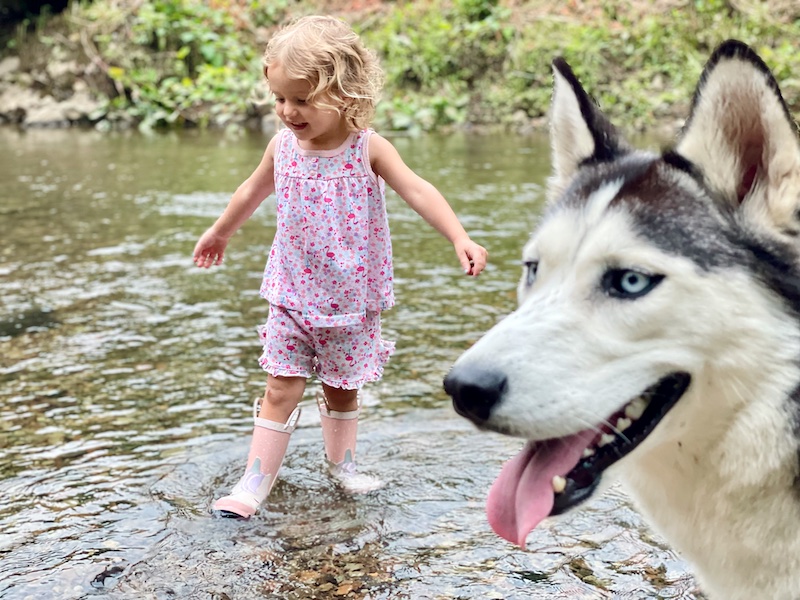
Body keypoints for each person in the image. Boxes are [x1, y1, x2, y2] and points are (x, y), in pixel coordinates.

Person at [193, 14, 488, 520]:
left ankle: (343, 466)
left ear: (345, 93)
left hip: (351, 299)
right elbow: (251, 191)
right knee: (280, 386)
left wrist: (459, 235)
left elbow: (417, 189)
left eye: (303, 100)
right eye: (281, 98)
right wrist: (221, 231)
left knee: (341, 387)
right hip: (290, 292)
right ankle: (254, 482)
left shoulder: (366, 148)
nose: (289, 111)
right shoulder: (281, 146)